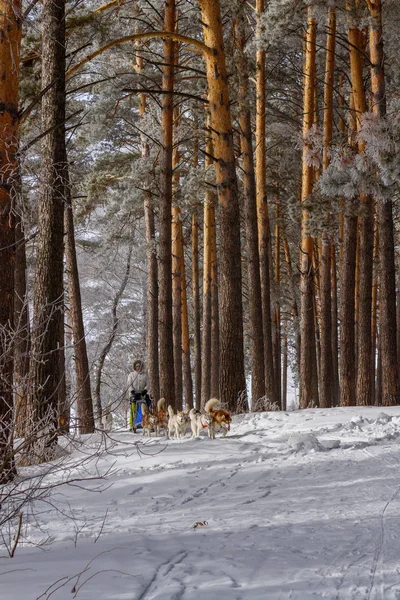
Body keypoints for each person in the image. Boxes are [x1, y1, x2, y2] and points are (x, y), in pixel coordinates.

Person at [127, 359, 150, 431]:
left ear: (142, 367)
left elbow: (148, 384)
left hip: (142, 394)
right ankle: (132, 425)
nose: (138, 367)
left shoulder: (145, 375)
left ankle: (146, 422)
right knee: (133, 409)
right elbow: (129, 384)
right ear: (135, 367)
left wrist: (145, 390)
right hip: (133, 394)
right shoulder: (131, 375)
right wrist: (132, 391)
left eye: (139, 366)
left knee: (145, 407)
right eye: (137, 366)